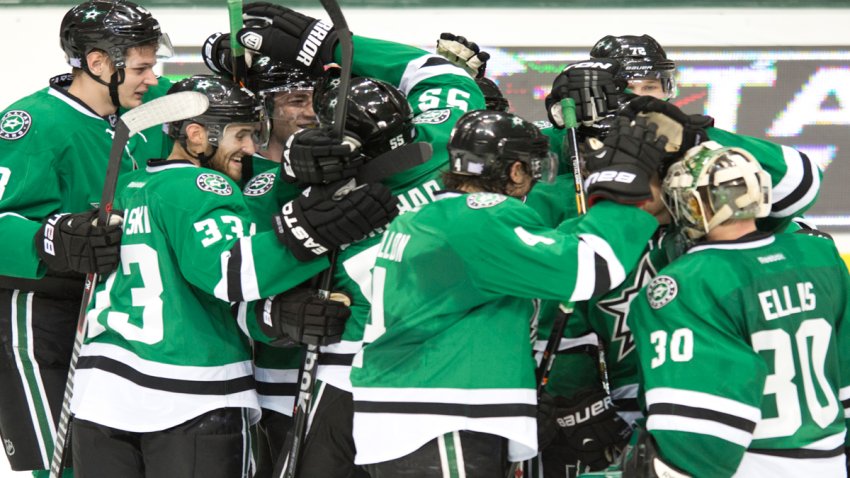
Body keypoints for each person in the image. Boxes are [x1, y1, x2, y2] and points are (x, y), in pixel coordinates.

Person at [67, 74, 397, 477]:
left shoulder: (128, 186)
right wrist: (312, 233)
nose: (249, 148)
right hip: (190, 391)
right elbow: (230, 273)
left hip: (97, 395)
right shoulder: (203, 185)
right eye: (239, 135)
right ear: (196, 135)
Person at [345, 108, 670, 476]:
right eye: (534, 168)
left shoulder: (431, 218)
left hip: (419, 413)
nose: (536, 180)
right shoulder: (479, 218)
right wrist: (628, 196)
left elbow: (551, 247)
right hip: (439, 415)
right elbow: (586, 269)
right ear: (515, 171)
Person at [0, 2, 175, 475]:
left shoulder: (141, 123)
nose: (153, 78)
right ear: (98, 64)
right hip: (42, 321)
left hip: (114, 319)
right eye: (141, 67)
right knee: (64, 465)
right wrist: (50, 238)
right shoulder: (33, 124)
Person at [624, 143, 849, 478]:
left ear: (693, 203)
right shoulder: (820, 254)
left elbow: (699, 434)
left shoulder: (687, 282)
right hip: (830, 460)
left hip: (749, 464)